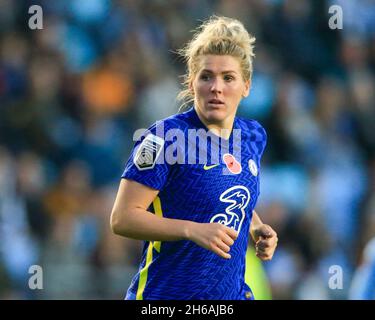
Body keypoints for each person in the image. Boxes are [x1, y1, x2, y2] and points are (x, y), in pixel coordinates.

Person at [110, 15, 278, 300]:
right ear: (191, 83)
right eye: (206, 76)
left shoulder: (253, 136)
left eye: (228, 78)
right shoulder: (164, 138)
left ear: (246, 86)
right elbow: (122, 218)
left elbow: (230, 193)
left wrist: (256, 226)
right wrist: (191, 230)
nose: (216, 87)